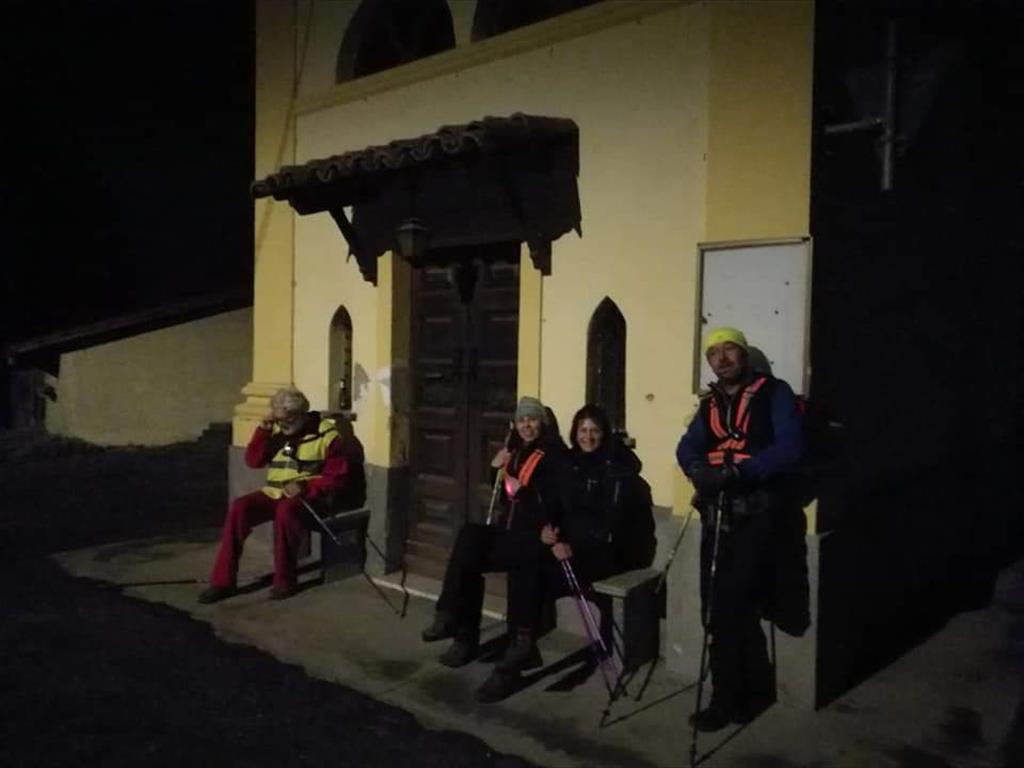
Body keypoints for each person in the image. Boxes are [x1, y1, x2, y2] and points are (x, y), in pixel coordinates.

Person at [471, 403, 658, 702]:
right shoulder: (570, 463)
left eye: (594, 431)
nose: (588, 437)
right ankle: (520, 647)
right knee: (525, 559)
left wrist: (573, 545)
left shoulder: (616, 471)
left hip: (605, 555)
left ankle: (517, 653)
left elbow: (611, 526)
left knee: (531, 570)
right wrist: (549, 531)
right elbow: (555, 505)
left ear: (604, 434)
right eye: (583, 430)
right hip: (569, 549)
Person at [676, 327, 804, 731]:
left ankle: (741, 696)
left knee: (740, 606)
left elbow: (790, 448)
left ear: (743, 354)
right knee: (715, 607)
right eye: (713, 353)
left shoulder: (775, 393)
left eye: (729, 349)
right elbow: (687, 446)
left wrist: (739, 472)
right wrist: (697, 469)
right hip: (718, 517)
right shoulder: (710, 403)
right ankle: (730, 695)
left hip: (757, 518)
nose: (722, 358)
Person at [421, 397, 565, 689]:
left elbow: (551, 501)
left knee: (522, 561)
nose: (527, 425)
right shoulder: (514, 451)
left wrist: (524, 496)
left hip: (535, 538)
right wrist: (494, 468)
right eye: (522, 420)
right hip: (510, 533)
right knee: (469, 541)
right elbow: (504, 495)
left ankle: (521, 644)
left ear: (542, 423)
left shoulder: (553, 455)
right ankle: (455, 622)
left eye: (532, 419)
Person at [198, 387, 364, 603]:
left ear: (301, 414)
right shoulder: (278, 433)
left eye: (286, 419)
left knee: (286, 511)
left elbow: (337, 477)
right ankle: (222, 582)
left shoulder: (327, 435)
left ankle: (285, 581)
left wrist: (304, 485)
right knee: (240, 507)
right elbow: (253, 461)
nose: (282, 424)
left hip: (311, 498)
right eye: (278, 419)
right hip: (275, 493)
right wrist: (263, 432)